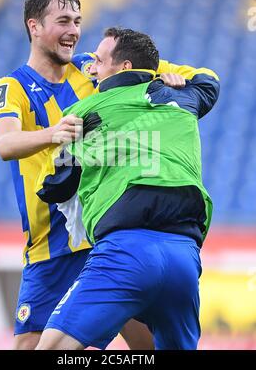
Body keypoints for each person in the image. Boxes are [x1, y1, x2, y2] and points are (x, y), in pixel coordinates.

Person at [0, 0, 208, 350]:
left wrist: (171, 79)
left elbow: (172, 71)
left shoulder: (93, 68)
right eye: (63, 21)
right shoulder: (12, 87)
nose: (73, 30)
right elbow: (6, 144)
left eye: (77, 20)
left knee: (146, 346)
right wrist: (53, 134)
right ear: (34, 26)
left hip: (107, 234)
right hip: (50, 246)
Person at [36, 27, 220, 350]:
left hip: (125, 251)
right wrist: (162, 71)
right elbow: (210, 79)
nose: (91, 67)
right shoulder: (185, 95)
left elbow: (51, 185)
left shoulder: (83, 114)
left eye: (98, 60)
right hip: (184, 258)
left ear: (123, 67)